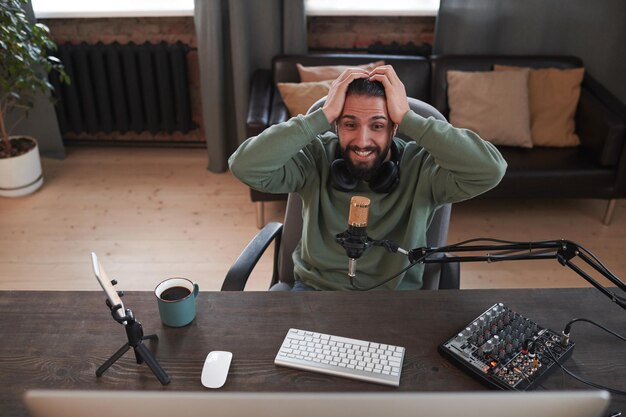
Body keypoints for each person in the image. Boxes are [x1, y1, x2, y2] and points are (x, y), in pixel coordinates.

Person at [229, 65, 507, 291]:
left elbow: (490, 170)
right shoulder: (316, 158)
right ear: (336, 125)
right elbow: (244, 165)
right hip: (314, 294)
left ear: (395, 128)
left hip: (395, 304)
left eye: (377, 126)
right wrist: (321, 115)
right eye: (350, 124)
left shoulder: (423, 168)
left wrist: (410, 118)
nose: (362, 141)